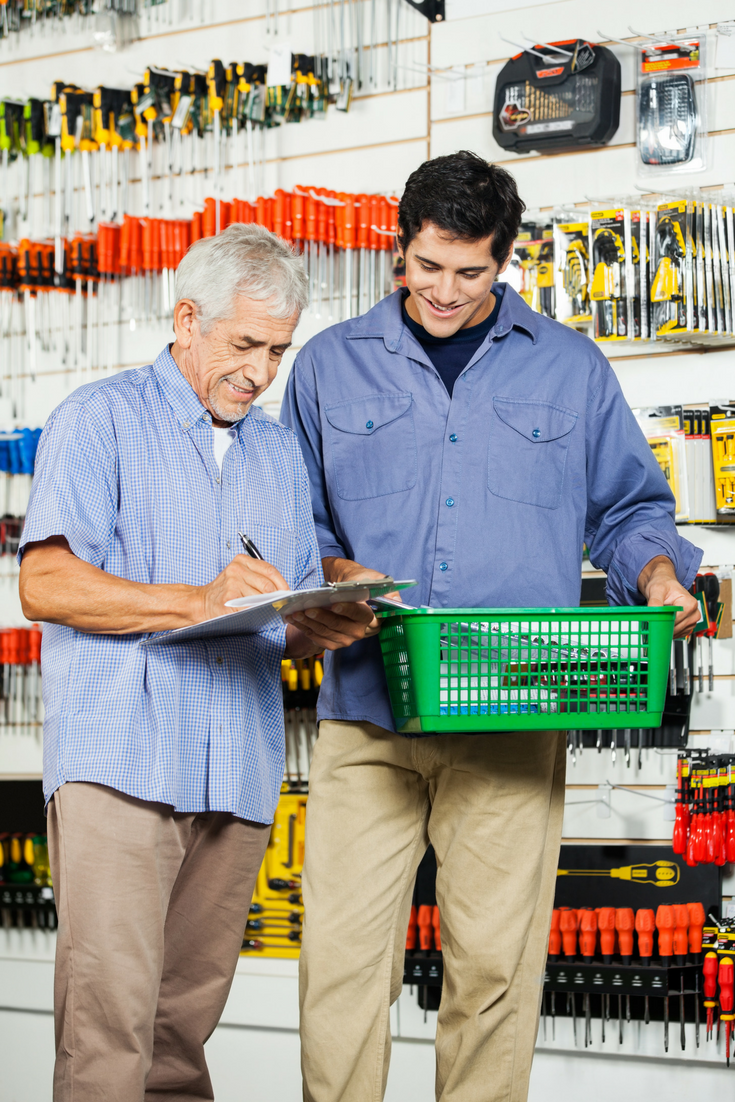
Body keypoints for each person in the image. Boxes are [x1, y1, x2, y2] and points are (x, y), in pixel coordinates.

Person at [280, 151, 701, 1102]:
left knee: (493, 976)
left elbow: (628, 508)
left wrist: (662, 577)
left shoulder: (569, 365)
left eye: (469, 273)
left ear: (504, 261)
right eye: (428, 267)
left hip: (515, 712)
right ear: (402, 250)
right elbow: (291, 522)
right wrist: (337, 571)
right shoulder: (326, 367)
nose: (444, 291)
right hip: (366, 711)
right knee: (340, 972)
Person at [18, 224, 373, 1102]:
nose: (260, 372)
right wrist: (191, 599)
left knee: (181, 1037)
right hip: (122, 764)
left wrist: (314, 623)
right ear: (186, 319)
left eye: (277, 351)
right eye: (244, 345)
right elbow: (45, 582)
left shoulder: (279, 450)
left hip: (237, 769)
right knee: (110, 1031)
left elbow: (268, 614)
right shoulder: (96, 420)